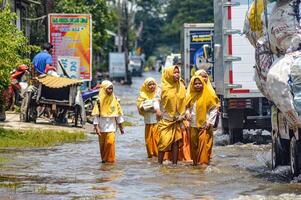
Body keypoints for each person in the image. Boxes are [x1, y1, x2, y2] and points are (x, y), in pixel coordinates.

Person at [185, 76, 220, 165]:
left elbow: (214, 109)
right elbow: (187, 107)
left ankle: (203, 165)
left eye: (199, 83)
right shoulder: (190, 96)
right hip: (193, 125)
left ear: (203, 84)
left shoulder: (209, 95)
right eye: (195, 84)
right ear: (192, 85)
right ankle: (196, 165)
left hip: (204, 125)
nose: (197, 85)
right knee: (194, 146)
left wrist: (209, 122)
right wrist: (187, 113)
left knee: (203, 146)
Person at [157, 65, 186, 164]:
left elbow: (185, 101)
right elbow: (156, 100)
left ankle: (174, 165)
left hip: (177, 119)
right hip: (165, 120)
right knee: (163, 143)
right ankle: (159, 165)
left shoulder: (181, 86)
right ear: (169, 74)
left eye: (178, 72)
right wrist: (157, 110)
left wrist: (184, 114)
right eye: (174, 72)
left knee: (175, 143)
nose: (177, 75)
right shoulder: (162, 87)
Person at [92, 80, 125, 163]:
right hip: (102, 127)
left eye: (111, 89)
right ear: (103, 89)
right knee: (102, 146)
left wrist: (121, 127)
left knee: (110, 143)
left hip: (112, 128)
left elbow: (118, 115)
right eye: (108, 89)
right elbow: (96, 115)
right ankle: (104, 160)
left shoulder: (115, 100)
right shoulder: (99, 101)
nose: (110, 90)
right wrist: (96, 127)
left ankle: (110, 161)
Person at [137, 77, 161, 158]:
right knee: (149, 141)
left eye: (153, 84)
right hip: (148, 122)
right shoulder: (142, 95)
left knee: (158, 140)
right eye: (149, 84)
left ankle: (158, 156)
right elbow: (140, 107)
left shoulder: (158, 94)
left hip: (158, 122)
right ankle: (151, 157)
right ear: (146, 86)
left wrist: (151, 104)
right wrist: (150, 104)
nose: (152, 86)